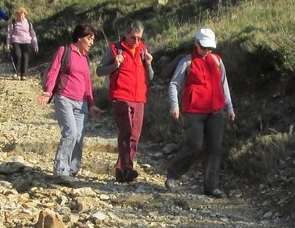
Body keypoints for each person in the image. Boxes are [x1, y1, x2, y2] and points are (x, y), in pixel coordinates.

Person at [165, 28, 235, 198]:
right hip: (194, 112)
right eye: (204, 47)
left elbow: (223, 85)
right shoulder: (187, 62)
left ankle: (211, 186)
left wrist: (229, 107)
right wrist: (175, 105)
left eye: (210, 48)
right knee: (194, 145)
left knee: (214, 149)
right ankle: (173, 175)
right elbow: (174, 84)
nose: (207, 51)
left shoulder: (217, 61)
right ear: (196, 43)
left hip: (216, 111)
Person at [38, 24, 103, 183]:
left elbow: (88, 82)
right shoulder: (64, 51)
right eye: (89, 38)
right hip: (64, 98)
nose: (91, 42)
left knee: (79, 137)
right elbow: (53, 71)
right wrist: (48, 91)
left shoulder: (85, 57)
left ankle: (72, 171)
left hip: (82, 103)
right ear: (80, 37)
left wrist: (92, 103)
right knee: (71, 133)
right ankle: (61, 170)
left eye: (93, 39)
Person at [97, 20, 154, 183]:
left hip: (139, 98)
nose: (136, 41)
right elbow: (99, 71)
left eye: (139, 38)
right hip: (121, 96)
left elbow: (149, 77)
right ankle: (128, 168)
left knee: (135, 134)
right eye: (133, 38)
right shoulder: (115, 49)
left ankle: (120, 169)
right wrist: (115, 64)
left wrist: (149, 64)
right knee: (126, 132)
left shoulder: (143, 50)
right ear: (125, 35)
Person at [6, 7, 39, 80]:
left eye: (22, 15)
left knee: (25, 58)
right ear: (17, 15)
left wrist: (35, 44)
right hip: (16, 41)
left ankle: (23, 74)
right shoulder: (13, 22)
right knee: (18, 56)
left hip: (27, 41)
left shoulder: (28, 22)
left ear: (25, 14)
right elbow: (9, 33)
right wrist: (8, 44)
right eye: (19, 15)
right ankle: (15, 72)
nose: (20, 17)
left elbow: (33, 34)